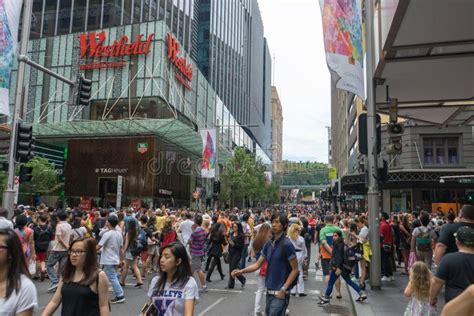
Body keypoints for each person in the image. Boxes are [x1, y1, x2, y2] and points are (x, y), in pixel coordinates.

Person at [232, 212, 299, 316]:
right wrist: (241, 271)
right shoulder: (268, 244)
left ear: (285, 225)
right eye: (273, 222)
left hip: (280, 293)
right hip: (269, 292)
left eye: (277, 222)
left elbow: (295, 270)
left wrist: (283, 289)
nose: (274, 225)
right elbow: (258, 264)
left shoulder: (287, 244)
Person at [42, 237, 110, 316]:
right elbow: (54, 301)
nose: (74, 255)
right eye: (72, 251)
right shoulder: (66, 274)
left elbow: (103, 306)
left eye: (79, 251)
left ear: (89, 253)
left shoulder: (99, 276)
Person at [146, 242, 199, 316]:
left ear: (178, 261)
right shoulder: (155, 281)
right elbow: (150, 307)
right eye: (161, 256)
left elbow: (188, 314)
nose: (161, 260)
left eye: (166, 257)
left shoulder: (189, 282)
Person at [318, 230, 367, 306]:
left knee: (331, 282)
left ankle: (326, 298)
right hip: (343, 267)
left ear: (339, 236)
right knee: (349, 281)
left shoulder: (339, 245)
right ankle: (361, 294)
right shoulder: (341, 244)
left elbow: (339, 257)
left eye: (336, 236)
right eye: (333, 236)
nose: (334, 237)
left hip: (339, 267)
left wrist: (338, 267)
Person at [430, 226, 474, 306]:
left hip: (453, 303)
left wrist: (432, 298)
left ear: (457, 242)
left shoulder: (448, 259)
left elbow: (437, 282)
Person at [0, 228, 38, 316]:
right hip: (26, 252)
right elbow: (31, 242)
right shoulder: (29, 230)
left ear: (10, 252)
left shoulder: (25, 287)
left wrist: (33, 253)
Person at [97, 216, 125, 304]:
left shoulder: (107, 234)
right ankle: (98, 291)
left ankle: (120, 295)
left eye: (107, 221)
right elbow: (121, 249)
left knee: (112, 277)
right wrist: (122, 259)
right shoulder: (119, 234)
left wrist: (88, 251)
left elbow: (99, 246)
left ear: (109, 223)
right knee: (109, 276)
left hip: (108, 259)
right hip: (115, 259)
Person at [47, 209, 72, 293]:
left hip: (57, 249)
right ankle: (59, 285)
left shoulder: (59, 225)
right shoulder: (69, 225)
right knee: (62, 268)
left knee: (49, 265)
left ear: (58, 218)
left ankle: (55, 282)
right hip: (65, 250)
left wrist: (65, 245)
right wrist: (68, 246)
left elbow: (59, 238)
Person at [319, 214, 343, 298]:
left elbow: (324, 243)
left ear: (325, 221)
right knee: (336, 275)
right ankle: (338, 293)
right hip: (337, 257)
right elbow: (342, 242)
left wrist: (331, 251)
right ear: (333, 220)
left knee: (327, 274)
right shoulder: (338, 229)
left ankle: (328, 293)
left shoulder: (323, 230)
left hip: (325, 255)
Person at [251, 223, 272, 316]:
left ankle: (257, 311)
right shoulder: (269, 241)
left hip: (258, 267)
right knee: (271, 289)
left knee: (260, 289)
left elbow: (253, 255)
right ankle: (271, 309)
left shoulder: (256, 240)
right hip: (269, 267)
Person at [120, 219, 143, 287]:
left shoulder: (128, 233)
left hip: (129, 251)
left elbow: (126, 244)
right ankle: (139, 280)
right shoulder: (137, 232)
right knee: (134, 266)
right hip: (135, 251)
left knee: (125, 267)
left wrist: (123, 251)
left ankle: (122, 281)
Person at [187, 215, 208, 292]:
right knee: (191, 269)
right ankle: (189, 284)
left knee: (198, 269)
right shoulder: (203, 231)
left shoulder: (195, 232)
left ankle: (204, 286)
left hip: (195, 252)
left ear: (195, 222)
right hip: (201, 251)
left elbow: (189, 241)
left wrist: (192, 230)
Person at [287, 223, 307, 297]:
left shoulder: (288, 238)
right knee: (300, 273)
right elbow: (304, 249)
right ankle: (301, 291)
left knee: (292, 272)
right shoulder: (301, 238)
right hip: (299, 255)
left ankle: (292, 290)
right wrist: (305, 257)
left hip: (291, 255)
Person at [33, 213, 53, 281]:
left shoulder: (36, 228)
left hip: (38, 245)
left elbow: (34, 238)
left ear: (39, 219)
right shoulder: (49, 228)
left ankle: (37, 274)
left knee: (38, 259)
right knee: (43, 259)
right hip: (46, 245)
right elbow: (51, 237)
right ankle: (43, 270)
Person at [227, 222, 246, 289]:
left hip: (237, 253)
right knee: (231, 269)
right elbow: (230, 243)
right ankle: (231, 284)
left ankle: (242, 279)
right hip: (231, 252)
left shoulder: (241, 235)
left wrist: (233, 244)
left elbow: (241, 246)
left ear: (238, 227)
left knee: (233, 268)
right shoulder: (232, 233)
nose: (234, 228)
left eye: (235, 227)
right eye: (233, 226)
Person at [380, 212, 394, 281]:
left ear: (382, 217)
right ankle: (390, 274)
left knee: (385, 261)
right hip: (388, 244)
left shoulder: (383, 225)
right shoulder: (387, 225)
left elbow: (381, 236)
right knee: (388, 260)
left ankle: (386, 275)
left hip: (383, 245)